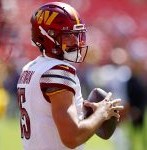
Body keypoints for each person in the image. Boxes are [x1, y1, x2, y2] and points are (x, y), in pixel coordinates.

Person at [17, 2, 124, 150]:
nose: (76, 42)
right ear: (47, 37)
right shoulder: (58, 71)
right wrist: (101, 113)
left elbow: (45, 116)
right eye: (68, 36)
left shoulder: (29, 69)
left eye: (76, 35)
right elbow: (72, 138)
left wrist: (82, 112)